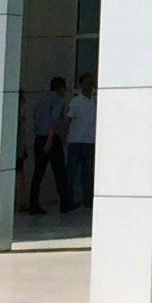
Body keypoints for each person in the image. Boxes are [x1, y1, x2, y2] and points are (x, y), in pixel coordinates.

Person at [20, 76, 68, 216]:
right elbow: (54, 120)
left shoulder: (40, 100)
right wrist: (50, 139)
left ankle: (33, 203)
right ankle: (65, 203)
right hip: (51, 139)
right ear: (60, 88)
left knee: (38, 174)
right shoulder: (57, 100)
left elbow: (35, 119)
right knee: (60, 172)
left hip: (39, 138)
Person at [63, 73, 98, 211]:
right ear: (81, 85)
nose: (89, 86)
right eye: (86, 83)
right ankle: (68, 200)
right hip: (76, 141)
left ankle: (88, 200)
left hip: (90, 141)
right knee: (71, 173)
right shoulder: (76, 101)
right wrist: (64, 136)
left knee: (88, 173)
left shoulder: (95, 101)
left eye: (91, 83)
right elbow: (68, 120)